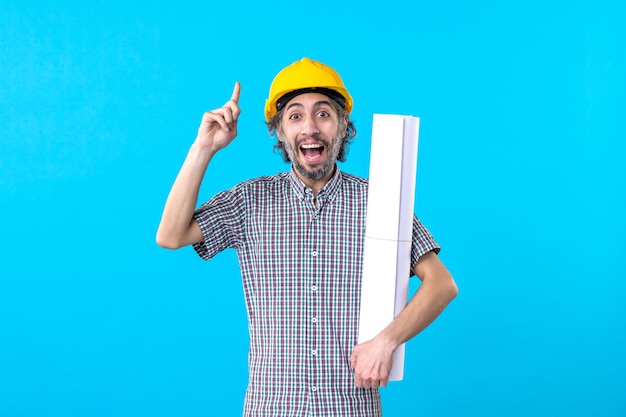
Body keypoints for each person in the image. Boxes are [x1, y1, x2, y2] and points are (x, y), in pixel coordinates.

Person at [156, 57, 458, 416]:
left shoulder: (382, 202)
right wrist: (203, 148)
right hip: (271, 407)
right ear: (280, 132)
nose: (310, 127)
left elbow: (442, 284)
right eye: (295, 116)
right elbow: (171, 235)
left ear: (343, 126)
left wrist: (387, 341)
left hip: (351, 406)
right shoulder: (249, 200)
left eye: (324, 114)